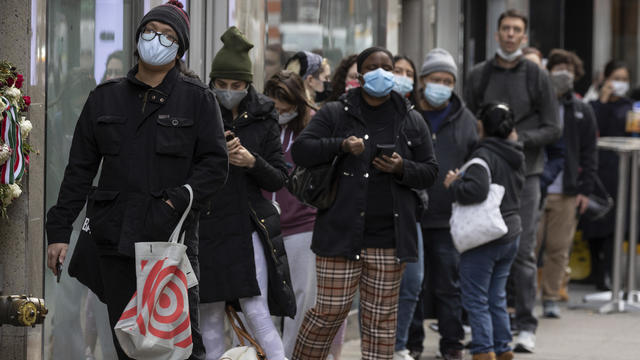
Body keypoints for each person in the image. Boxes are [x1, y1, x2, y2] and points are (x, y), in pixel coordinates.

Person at [45, 2, 229, 359]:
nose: (157, 39)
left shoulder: (198, 101)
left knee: (179, 345)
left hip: (170, 245)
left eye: (168, 35)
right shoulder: (104, 98)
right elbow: (79, 171)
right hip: (113, 242)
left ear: (180, 50)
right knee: (127, 344)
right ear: (137, 38)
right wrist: (58, 232)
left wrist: (177, 199)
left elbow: (215, 167)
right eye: (151, 31)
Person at [291, 46, 439, 360]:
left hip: (390, 239)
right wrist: (341, 145)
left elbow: (430, 171)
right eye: (373, 67)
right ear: (360, 74)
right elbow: (302, 150)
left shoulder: (411, 118)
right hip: (340, 234)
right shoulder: (336, 112)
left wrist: (402, 168)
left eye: (389, 67)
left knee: (381, 323)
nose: (382, 73)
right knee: (328, 312)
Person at [464, 9, 561, 353]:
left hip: (525, 175)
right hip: (484, 173)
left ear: (524, 36)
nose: (509, 34)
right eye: (504, 28)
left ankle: (525, 324)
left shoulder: (536, 75)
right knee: (477, 244)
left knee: (522, 250)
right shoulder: (479, 74)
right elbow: (468, 117)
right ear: (496, 34)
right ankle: (483, 325)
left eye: (516, 30)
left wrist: (518, 139)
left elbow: (553, 127)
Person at [197, 27, 291, 360]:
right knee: (208, 318)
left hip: (247, 225)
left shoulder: (265, 117)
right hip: (206, 226)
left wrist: (250, 160)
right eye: (220, 85)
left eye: (236, 86)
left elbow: (279, 178)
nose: (227, 92)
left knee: (257, 311)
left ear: (247, 85)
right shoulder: (201, 109)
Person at [406, 48, 479, 360]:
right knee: (414, 286)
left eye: (447, 80)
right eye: (436, 79)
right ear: (423, 81)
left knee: (449, 285)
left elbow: (477, 164)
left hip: (450, 217)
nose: (441, 85)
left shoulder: (467, 122)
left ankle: (452, 344)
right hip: (412, 214)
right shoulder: (408, 114)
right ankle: (412, 344)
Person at [445, 102, 525, 360]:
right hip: (511, 233)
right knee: (496, 295)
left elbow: (476, 192)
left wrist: (454, 185)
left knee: (476, 297)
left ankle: (483, 349)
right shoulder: (515, 155)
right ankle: (503, 347)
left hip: (485, 236)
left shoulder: (482, 157)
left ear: (480, 126)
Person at [536, 49, 598, 318]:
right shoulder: (537, 104)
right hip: (535, 186)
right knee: (528, 249)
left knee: (559, 250)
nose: (564, 75)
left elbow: (589, 152)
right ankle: (521, 299)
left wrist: (585, 189)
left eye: (569, 71)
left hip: (567, 191)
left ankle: (550, 297)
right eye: (558, 69)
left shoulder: (582, 110)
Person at [262, 70, 319, 358]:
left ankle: (291, 354)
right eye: (274, 104)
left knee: (300, 300)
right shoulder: (259, 126)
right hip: (262, 225)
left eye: (285, 105)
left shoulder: (309, 130)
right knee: (260, 299)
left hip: (302, 225)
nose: (279, 111)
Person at [582, 60, 633, 291]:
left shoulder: (631, 106)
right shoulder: (593, 106)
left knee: (618, 225)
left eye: (624, 79)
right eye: (616, 78)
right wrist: (602, 100)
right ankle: (598, 276)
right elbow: (591, 129)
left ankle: (614, 278)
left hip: (624, 172)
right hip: (598, 171)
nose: (620, 84)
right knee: (596, 222)